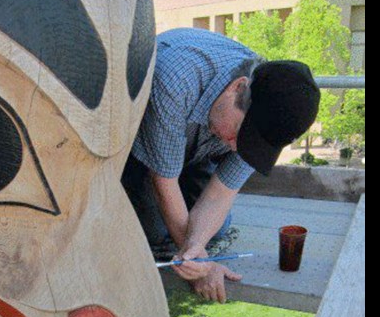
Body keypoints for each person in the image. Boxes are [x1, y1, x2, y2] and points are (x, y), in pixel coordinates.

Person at [122, 28, 321, 303]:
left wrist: (194, 248)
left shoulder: (264, 113)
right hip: (145, 151)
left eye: (253, 144)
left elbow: (221, 194)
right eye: (242, 133)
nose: (239, 148)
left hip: (197, 148)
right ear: (236, 88)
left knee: (215, 228)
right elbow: (164, 182)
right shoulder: (175, 80)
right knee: (158, 231)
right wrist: (201, 265)